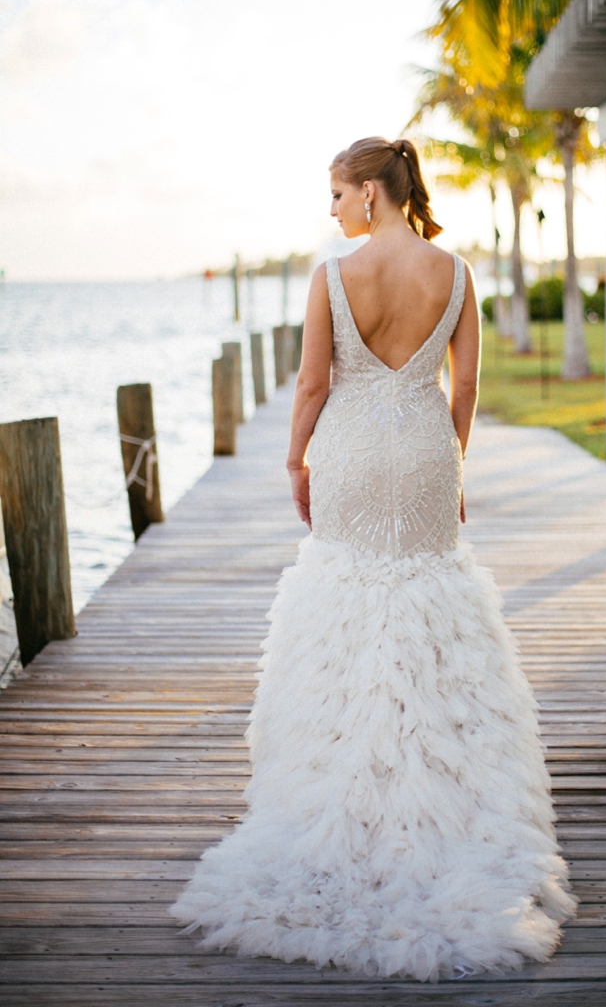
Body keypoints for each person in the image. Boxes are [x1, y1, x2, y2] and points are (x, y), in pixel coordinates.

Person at [170, 136, 575, 982]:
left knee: (344, 607)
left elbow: (313, 387)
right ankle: (453, 812)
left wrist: (294, 460)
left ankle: (340, 807)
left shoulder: (332, 277)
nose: (330, 210)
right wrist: (453, 464)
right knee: (434, 607)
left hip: (351, 455)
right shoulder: (456, 275)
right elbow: (463, 390)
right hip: (426, 452)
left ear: (369, 194)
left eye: (335, 194)